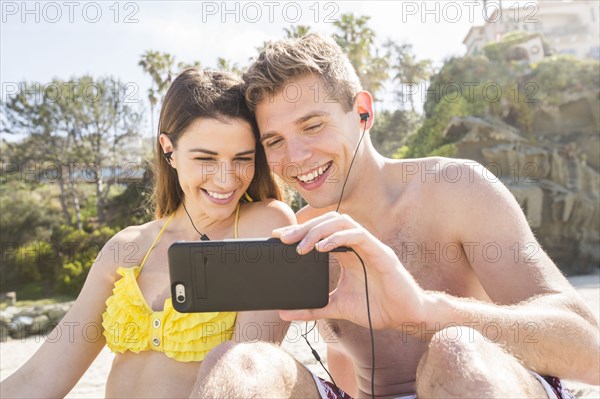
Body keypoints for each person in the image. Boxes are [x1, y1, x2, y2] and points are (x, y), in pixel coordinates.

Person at [191, 34, 599, 399]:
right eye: (275, 141)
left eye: (313, 126)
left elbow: (590, 352)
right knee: (240, 362)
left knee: (455, 350)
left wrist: (425, 312)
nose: (296, 157)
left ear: (363, 112)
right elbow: (341, 364)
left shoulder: (453, 188)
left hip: (485, 383)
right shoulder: (301, 240)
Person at [0, 68, 295, 398]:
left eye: (243, 158)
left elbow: (247, 376)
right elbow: (39, 379)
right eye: (205, 158)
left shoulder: (265, 225)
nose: (226, 180)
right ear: (169, 149)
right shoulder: (126, 248)